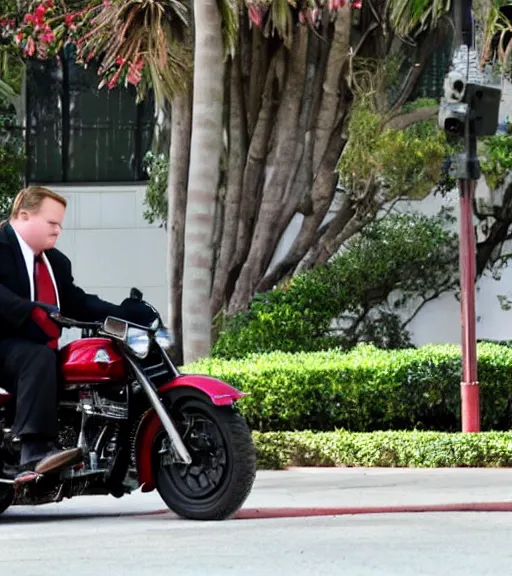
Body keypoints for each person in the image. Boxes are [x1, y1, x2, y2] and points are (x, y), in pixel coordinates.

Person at [0, 186, 157, 477]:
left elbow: (77, 302)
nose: (58, 230)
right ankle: (34, 450)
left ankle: (111, 457)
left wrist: (124, 313)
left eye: (60, 224)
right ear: (23, 216)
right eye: (52, 223)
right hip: (6, 343)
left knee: (83, 363)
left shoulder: (56, 262)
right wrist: (28, 308)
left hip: (35, 348)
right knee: (37, 358)